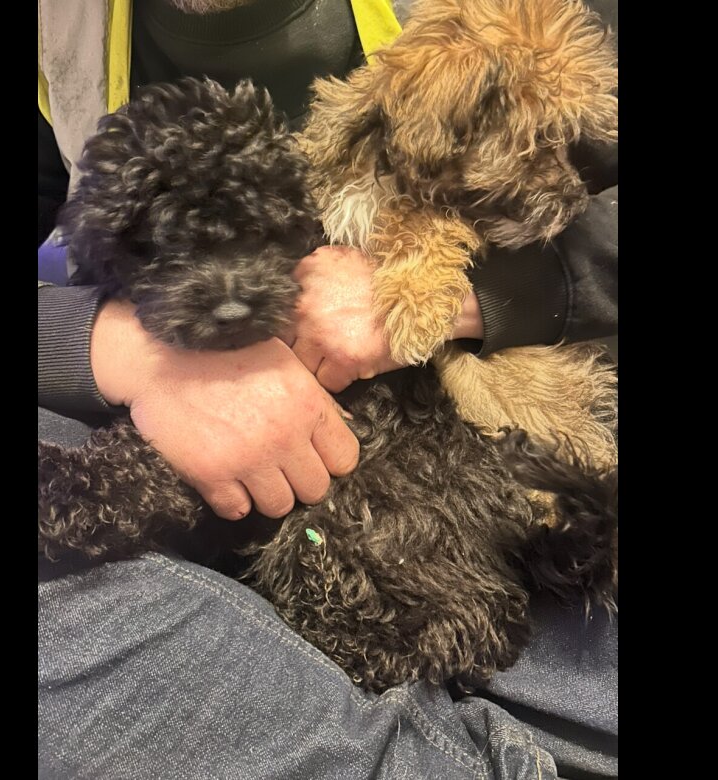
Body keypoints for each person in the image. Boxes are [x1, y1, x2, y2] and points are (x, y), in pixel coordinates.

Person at [38, 0, 618, 776]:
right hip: (244, 459)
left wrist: (463, 295)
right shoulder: (59, 23)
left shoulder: (533, 27)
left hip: (514, 440)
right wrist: (108, 346)